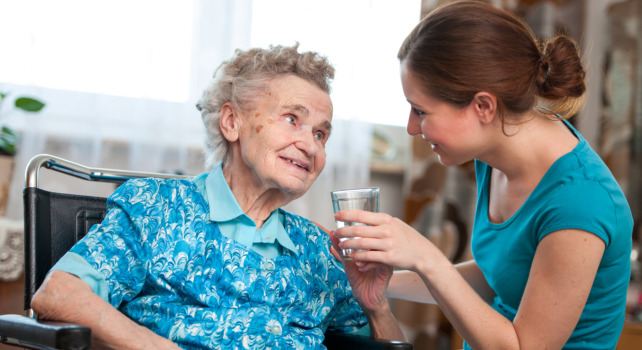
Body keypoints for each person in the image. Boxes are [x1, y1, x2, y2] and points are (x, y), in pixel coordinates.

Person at [30, 44, 405, 349]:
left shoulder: (318, 249)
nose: (310, 145)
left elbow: (386, 344)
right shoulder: (156, 208)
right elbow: (59, 294)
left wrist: (377, 308)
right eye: (292, 119)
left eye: (321, 134)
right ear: (231, 122)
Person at [331, 2, 633, 349]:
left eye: (420, 111)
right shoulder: (494, 151)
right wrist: (379, 281)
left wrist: (426, 258)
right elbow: (500, 274)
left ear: (483, 107)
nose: (412, 128)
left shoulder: (581, 202)